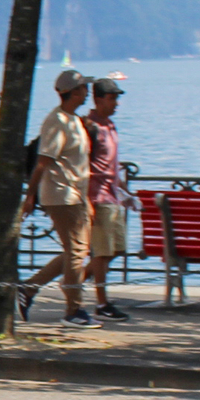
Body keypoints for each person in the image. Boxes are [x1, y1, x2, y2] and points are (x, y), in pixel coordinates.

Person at [17, 68, 95, 327]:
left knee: (77, 250)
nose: (88, 92)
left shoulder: (74, 120)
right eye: (84, 88)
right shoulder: (57, 121)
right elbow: (42, 162)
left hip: (76, 195)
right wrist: (30, 196)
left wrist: (87, 199)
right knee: (76, 252)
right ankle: (74, 310)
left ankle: (28, 288)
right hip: (61, 195)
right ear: (73, 92)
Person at [79, 77, 130, 322]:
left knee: (116, 249)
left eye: (117, 98)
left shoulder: (110, 126)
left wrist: (126, 192)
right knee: (100, 253)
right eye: (111, 99)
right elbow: (82, 166)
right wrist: (86, 200)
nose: (116, 103)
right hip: (97, 197)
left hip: (113, 196)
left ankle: (73, 282)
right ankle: (102, 303)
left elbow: (113, 165)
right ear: (97, 99)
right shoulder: (89, 127)